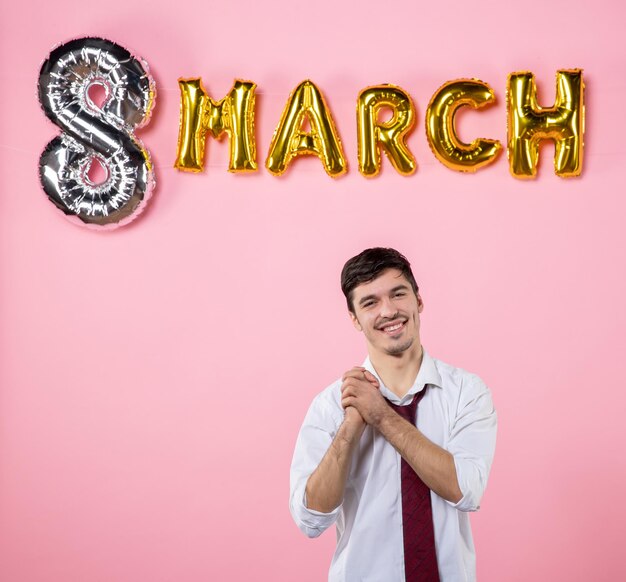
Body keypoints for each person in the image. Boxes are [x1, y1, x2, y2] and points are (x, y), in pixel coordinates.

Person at [289, 247, 497, 582]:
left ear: (419, 301)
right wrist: (352, 425)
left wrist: (382, 416)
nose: (389, 310)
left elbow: (465, 491)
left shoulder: (467, 393)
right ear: (355, 319)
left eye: (398, 294)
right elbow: (311, 519)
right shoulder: (331, 406)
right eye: (370, 302)